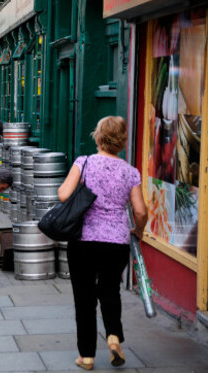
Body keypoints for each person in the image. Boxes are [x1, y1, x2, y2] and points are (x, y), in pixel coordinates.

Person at [57, 116, 147, 371]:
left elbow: (63, 194)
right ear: (121, 142)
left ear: (97, 137)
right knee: (110, 290)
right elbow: (140, 211)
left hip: (84, 239)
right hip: (116, 241)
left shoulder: (83, 163)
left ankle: (86, 356)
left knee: (83, 297)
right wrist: (137, 232)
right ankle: (114, 337)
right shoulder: (131, 172)